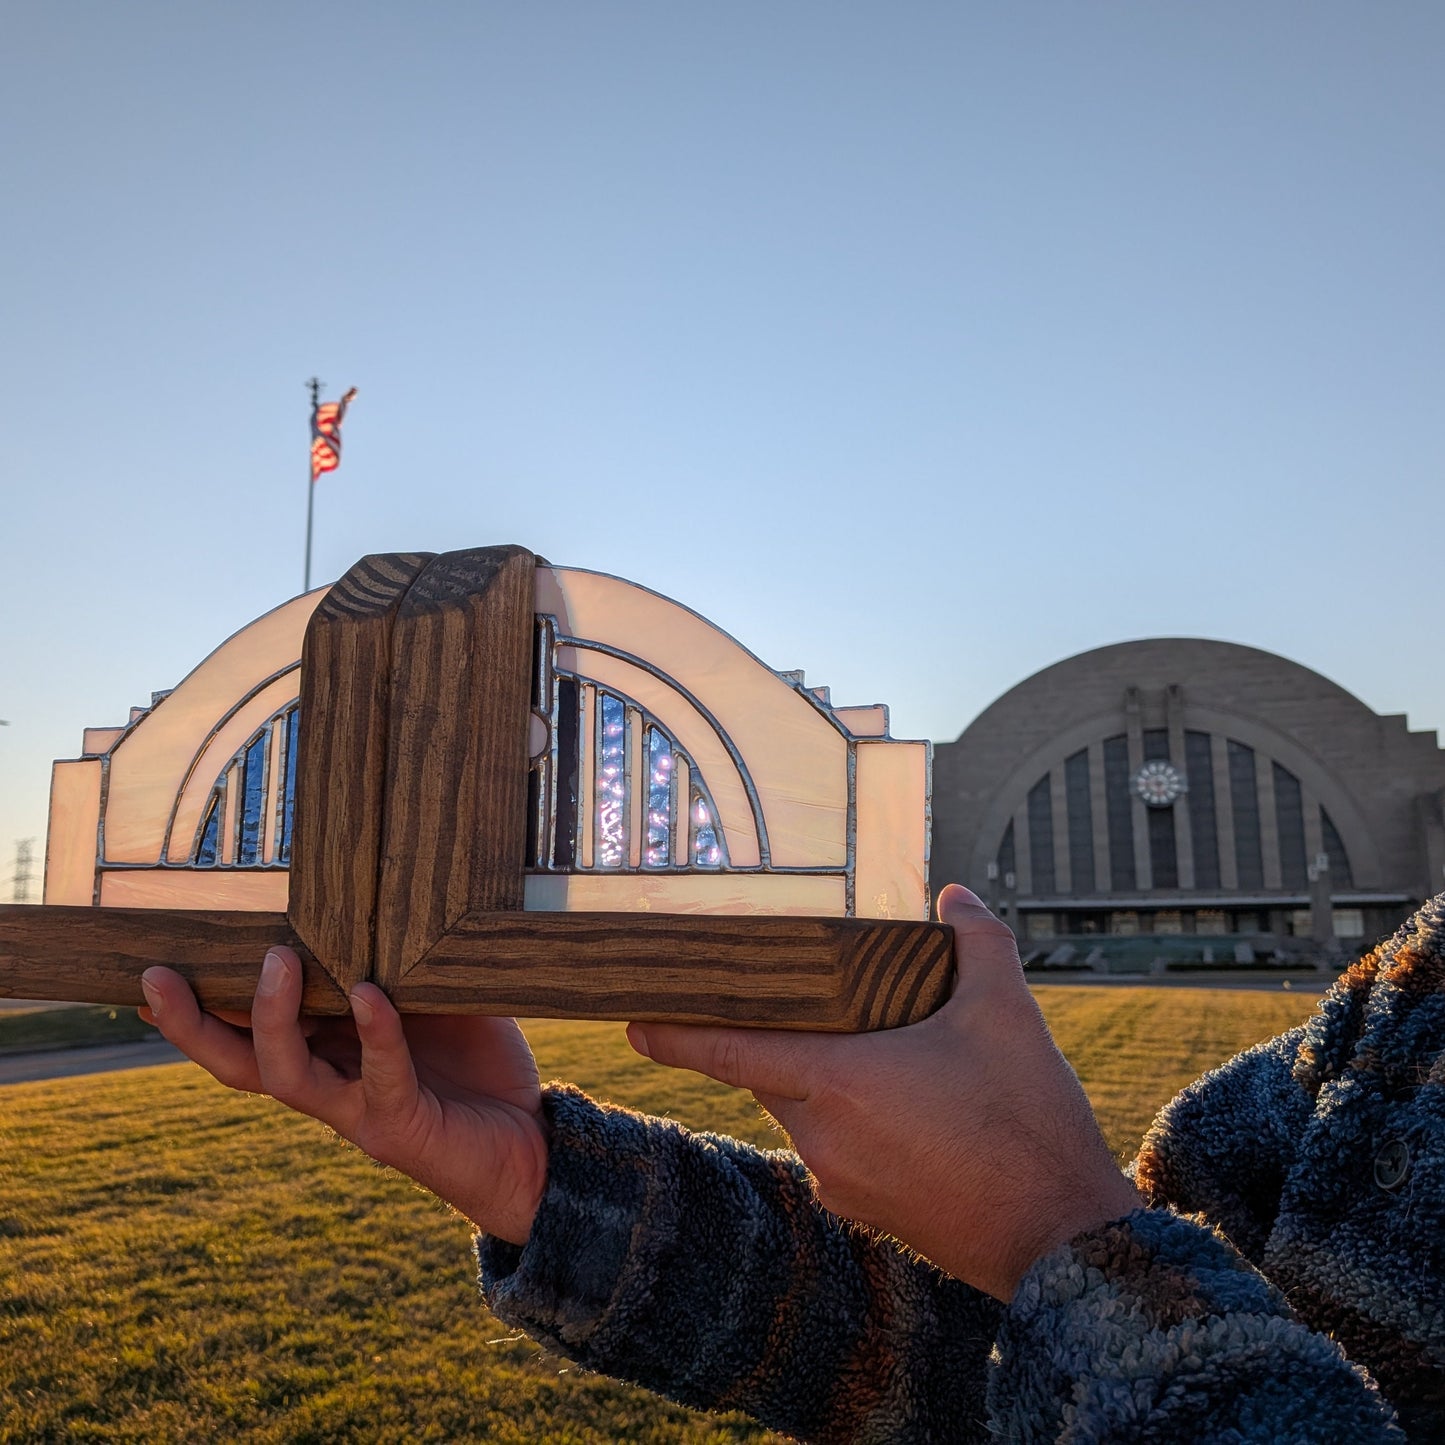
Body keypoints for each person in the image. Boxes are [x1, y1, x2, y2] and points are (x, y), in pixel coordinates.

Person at [138, 884, 1444, 1442]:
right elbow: (1042, 1373)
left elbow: (1108, 1312)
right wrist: (534, 1174)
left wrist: (1053, 1222)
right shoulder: (1415, 985)